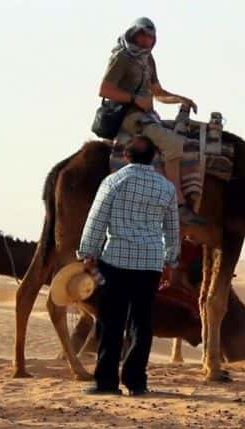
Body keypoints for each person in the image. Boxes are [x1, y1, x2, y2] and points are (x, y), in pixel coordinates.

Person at [77, 136, 180, 396]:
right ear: (154, 157)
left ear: (126, 156)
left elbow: (97, 218)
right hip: (150, 263)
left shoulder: (114, 181)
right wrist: (170, 260)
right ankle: (136, 382)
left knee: (110, 323)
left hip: (116, 261)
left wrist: (88, 252)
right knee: (142, 324)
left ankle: (107, 383)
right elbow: (172, 229)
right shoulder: (166, 187)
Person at [100, 17, 206, 225]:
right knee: (173, 143)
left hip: (148, 115)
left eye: (150, 37)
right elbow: (105, 89)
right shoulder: (122, 57)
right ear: (134, 34)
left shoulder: (147, 59)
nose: (146, 40)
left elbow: (157, 92)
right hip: (129, 117)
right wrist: (134, 99)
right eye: (143, 35)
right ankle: (178, 203)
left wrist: (180, 99)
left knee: (188, 138)